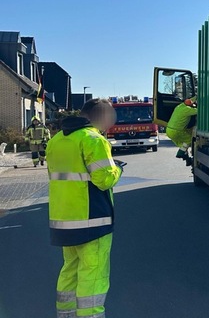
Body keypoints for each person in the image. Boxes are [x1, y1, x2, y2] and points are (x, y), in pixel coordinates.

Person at [46, 98, 122, 318]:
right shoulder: (93, 140)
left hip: (63, 220)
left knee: (69, 271)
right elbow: (104, 180)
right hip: (92, 220)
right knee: (93, 276)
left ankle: (66, 314)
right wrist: (117, 169)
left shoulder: (56, 140)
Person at [166, 98, 198, 165]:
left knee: (182, 145)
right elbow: (199, 111)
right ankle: (180, 153)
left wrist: (196, 97)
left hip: (168, 130)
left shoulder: (179, 106)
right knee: (189, 140)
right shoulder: (187, 109)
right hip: (177, 131)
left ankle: (187, 159)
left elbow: (190, 100)